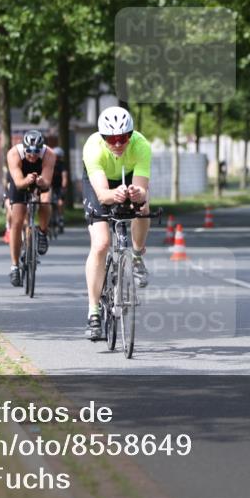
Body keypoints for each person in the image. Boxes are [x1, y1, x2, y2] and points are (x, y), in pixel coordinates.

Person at [82, 106, 151, 341]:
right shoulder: (93, 148)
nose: (118, 144)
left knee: (144, 208)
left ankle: (138, 255)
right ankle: (93, 311)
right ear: (103, 138)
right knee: (101, 244)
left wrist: (136, 193)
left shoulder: (141, 145)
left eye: (123, 138)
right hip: (100, 183)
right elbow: (102, 194)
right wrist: (115, 195)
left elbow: (142, 189)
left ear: (131, 135)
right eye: (112, 139)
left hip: (129, 176)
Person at [5, 130, 56, 287]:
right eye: (29, 151)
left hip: (39, 180)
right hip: (20, 180)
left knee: (46, 200)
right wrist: (27, 180)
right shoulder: (14, 153)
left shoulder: (49, 154)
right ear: (24, 147)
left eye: (36, 151)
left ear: (41, 148)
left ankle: (42, 232)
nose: (33, 155)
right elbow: (19, 183)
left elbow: (47, 182)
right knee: (17, 220)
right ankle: (14, 266)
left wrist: (41, 183)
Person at [50, 146, 69, 230]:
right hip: (50, 186)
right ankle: (50, 218)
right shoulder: (49, 164)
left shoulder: (62, 165)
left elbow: (64, 177)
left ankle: (60, 218)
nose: (56, 158)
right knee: (47, 203)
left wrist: (63, 188)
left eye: (58, 156)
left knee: (60, 203)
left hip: (59, 186)